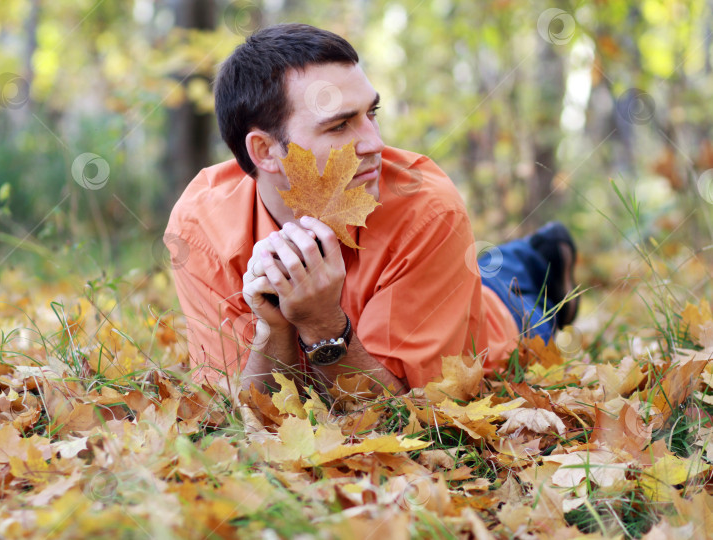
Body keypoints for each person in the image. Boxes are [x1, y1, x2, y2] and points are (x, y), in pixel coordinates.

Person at [164, 23, 579, 394]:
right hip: (424, 282)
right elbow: (243, 406)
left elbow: (410, 411)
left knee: (516, 299)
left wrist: (322, 323)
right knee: (492, 265)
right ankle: (526, 255)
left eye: (372, 113)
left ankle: (541, 257)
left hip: (494, 319)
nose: (375, 143)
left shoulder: (426, 206)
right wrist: (273, 329)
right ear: (265, 151)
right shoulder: (201, 227)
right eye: (340, 126)